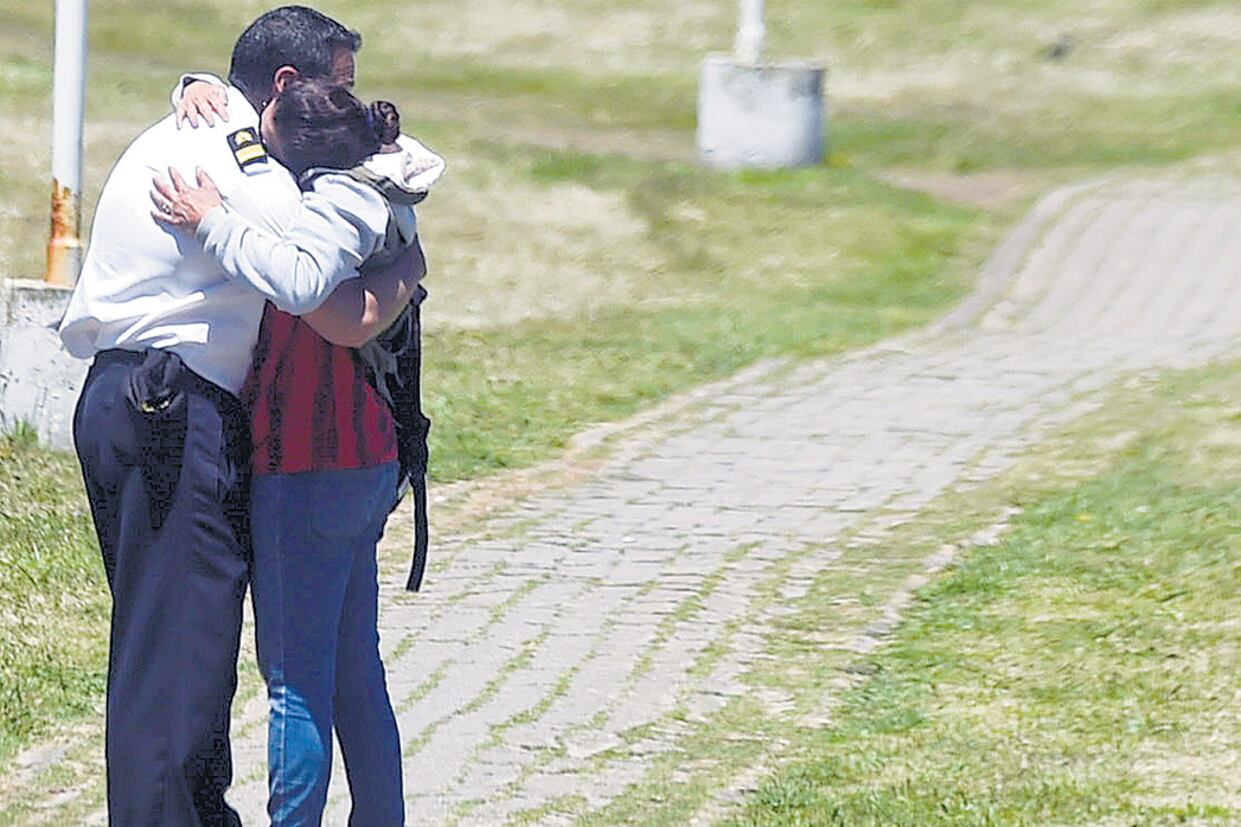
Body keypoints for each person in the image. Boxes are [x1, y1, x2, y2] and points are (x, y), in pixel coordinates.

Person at [59, 7, 423, 825]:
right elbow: (313, 284)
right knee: (181, 656)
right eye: (340, 89)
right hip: (170, 408)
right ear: (287, 87)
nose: (350, 112)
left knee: (171, 644)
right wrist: (405, 253)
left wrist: (194, 84)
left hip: (129, 399)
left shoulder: (209, 123)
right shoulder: (244, 165)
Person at [151, 79, 444, 825]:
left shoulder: (330, 209)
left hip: (310, 459)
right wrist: (197, 87)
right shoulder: (375, 183)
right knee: (353, 673)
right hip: (368, 458)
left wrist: (214, 221)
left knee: (295, 684)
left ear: (295, 154)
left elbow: (299, 282)